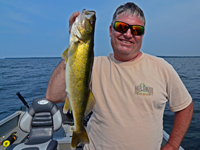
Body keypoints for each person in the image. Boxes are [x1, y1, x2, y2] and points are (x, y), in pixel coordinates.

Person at [46, 2, 193, 150]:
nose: (128, 34)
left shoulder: (162, 68)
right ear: (111, 30)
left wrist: (173, 145)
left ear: (142, 35)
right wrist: (73, 50)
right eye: (121, 27)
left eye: (136, 30)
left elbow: (185, 107)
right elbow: (53, 96)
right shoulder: (93, 66)